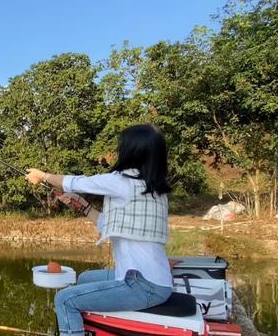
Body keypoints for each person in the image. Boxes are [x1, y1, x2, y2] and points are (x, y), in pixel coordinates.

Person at [26, 124, 173, 336]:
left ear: (132, 151)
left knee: (64, 299)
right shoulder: (153, 189)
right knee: (85, 278)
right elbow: (110, 224)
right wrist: (83, 206)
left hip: (142, 285)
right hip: (153, 281)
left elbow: (75, 182)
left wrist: (43, 176)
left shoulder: (122, 181)